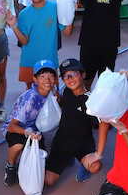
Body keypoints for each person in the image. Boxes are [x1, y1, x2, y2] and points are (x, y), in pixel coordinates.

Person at [44, 59, 111, 187]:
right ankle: (67, 158)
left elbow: (103, 124)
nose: (70, 79)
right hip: (62, 142)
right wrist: (55, 94)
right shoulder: (67, 91)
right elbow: (64, 104)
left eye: (74, 74)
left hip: (82, 144)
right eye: (66, 76)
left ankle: (84, 165)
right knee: (48, 181)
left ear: (83, 74)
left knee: (95, 166)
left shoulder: (91, 100)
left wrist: (98, 154)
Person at [8, 0, 74, 90]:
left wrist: (70, 13)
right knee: (31, 92)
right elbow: (24, 41)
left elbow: (68, 32)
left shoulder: (55, 8)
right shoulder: (24, 14)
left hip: (49, 61)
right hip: (29, 61)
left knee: (53, 93)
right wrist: (14, 26)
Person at [1, 59, 59, 186]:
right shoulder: (30, 99)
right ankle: (10, 165)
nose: (47, 80)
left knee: (40, 158)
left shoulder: (53, 91)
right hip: (18, 128)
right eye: (42, 76)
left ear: (55, 78)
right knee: (18, 146)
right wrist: (27, 133)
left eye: (51, 76)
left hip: (36, 130)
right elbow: (11, 126)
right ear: (35, 79)